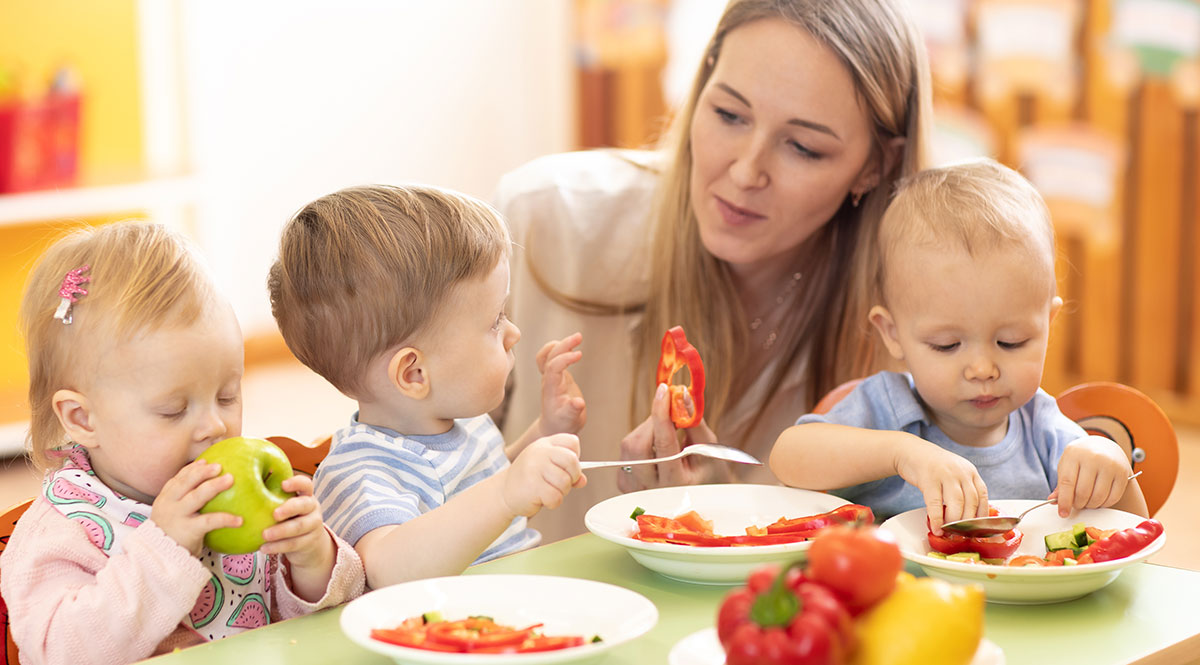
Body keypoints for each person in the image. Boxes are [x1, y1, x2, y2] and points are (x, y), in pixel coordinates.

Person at [494, 0, 935, 541]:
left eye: (802, 147)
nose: (747, 171)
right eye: (729, 114)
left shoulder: (918, 327)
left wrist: (736, 525)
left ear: (876, 165)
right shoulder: (542, 221)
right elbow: (415, 480)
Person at [1, 222, 365, 665]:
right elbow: (60, 652)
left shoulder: (231, 495)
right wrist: (163, 550)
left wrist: (311, 560)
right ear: (83, 419)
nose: (214, 425)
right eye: (173, 409)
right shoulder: (64, 531)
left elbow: (322, 623)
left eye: (227, 396)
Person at [769, 159, 1148, 534]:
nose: (982, 369)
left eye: (1010, 342)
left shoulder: (1044, 429)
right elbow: (787, 456)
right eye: (947, 345)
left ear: (1047, 325)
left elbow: (1135, 531)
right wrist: (903, 455)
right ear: (893, 333)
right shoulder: (887, 408)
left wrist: (1110, 465)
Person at [267, 184, 586, 590]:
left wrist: (547, 435)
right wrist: (507, 492)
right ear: (414, 374)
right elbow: (386, 569)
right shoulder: (358, 472)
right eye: (494, 322)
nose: (513, 333)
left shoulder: (463, 424)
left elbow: (485, 491)